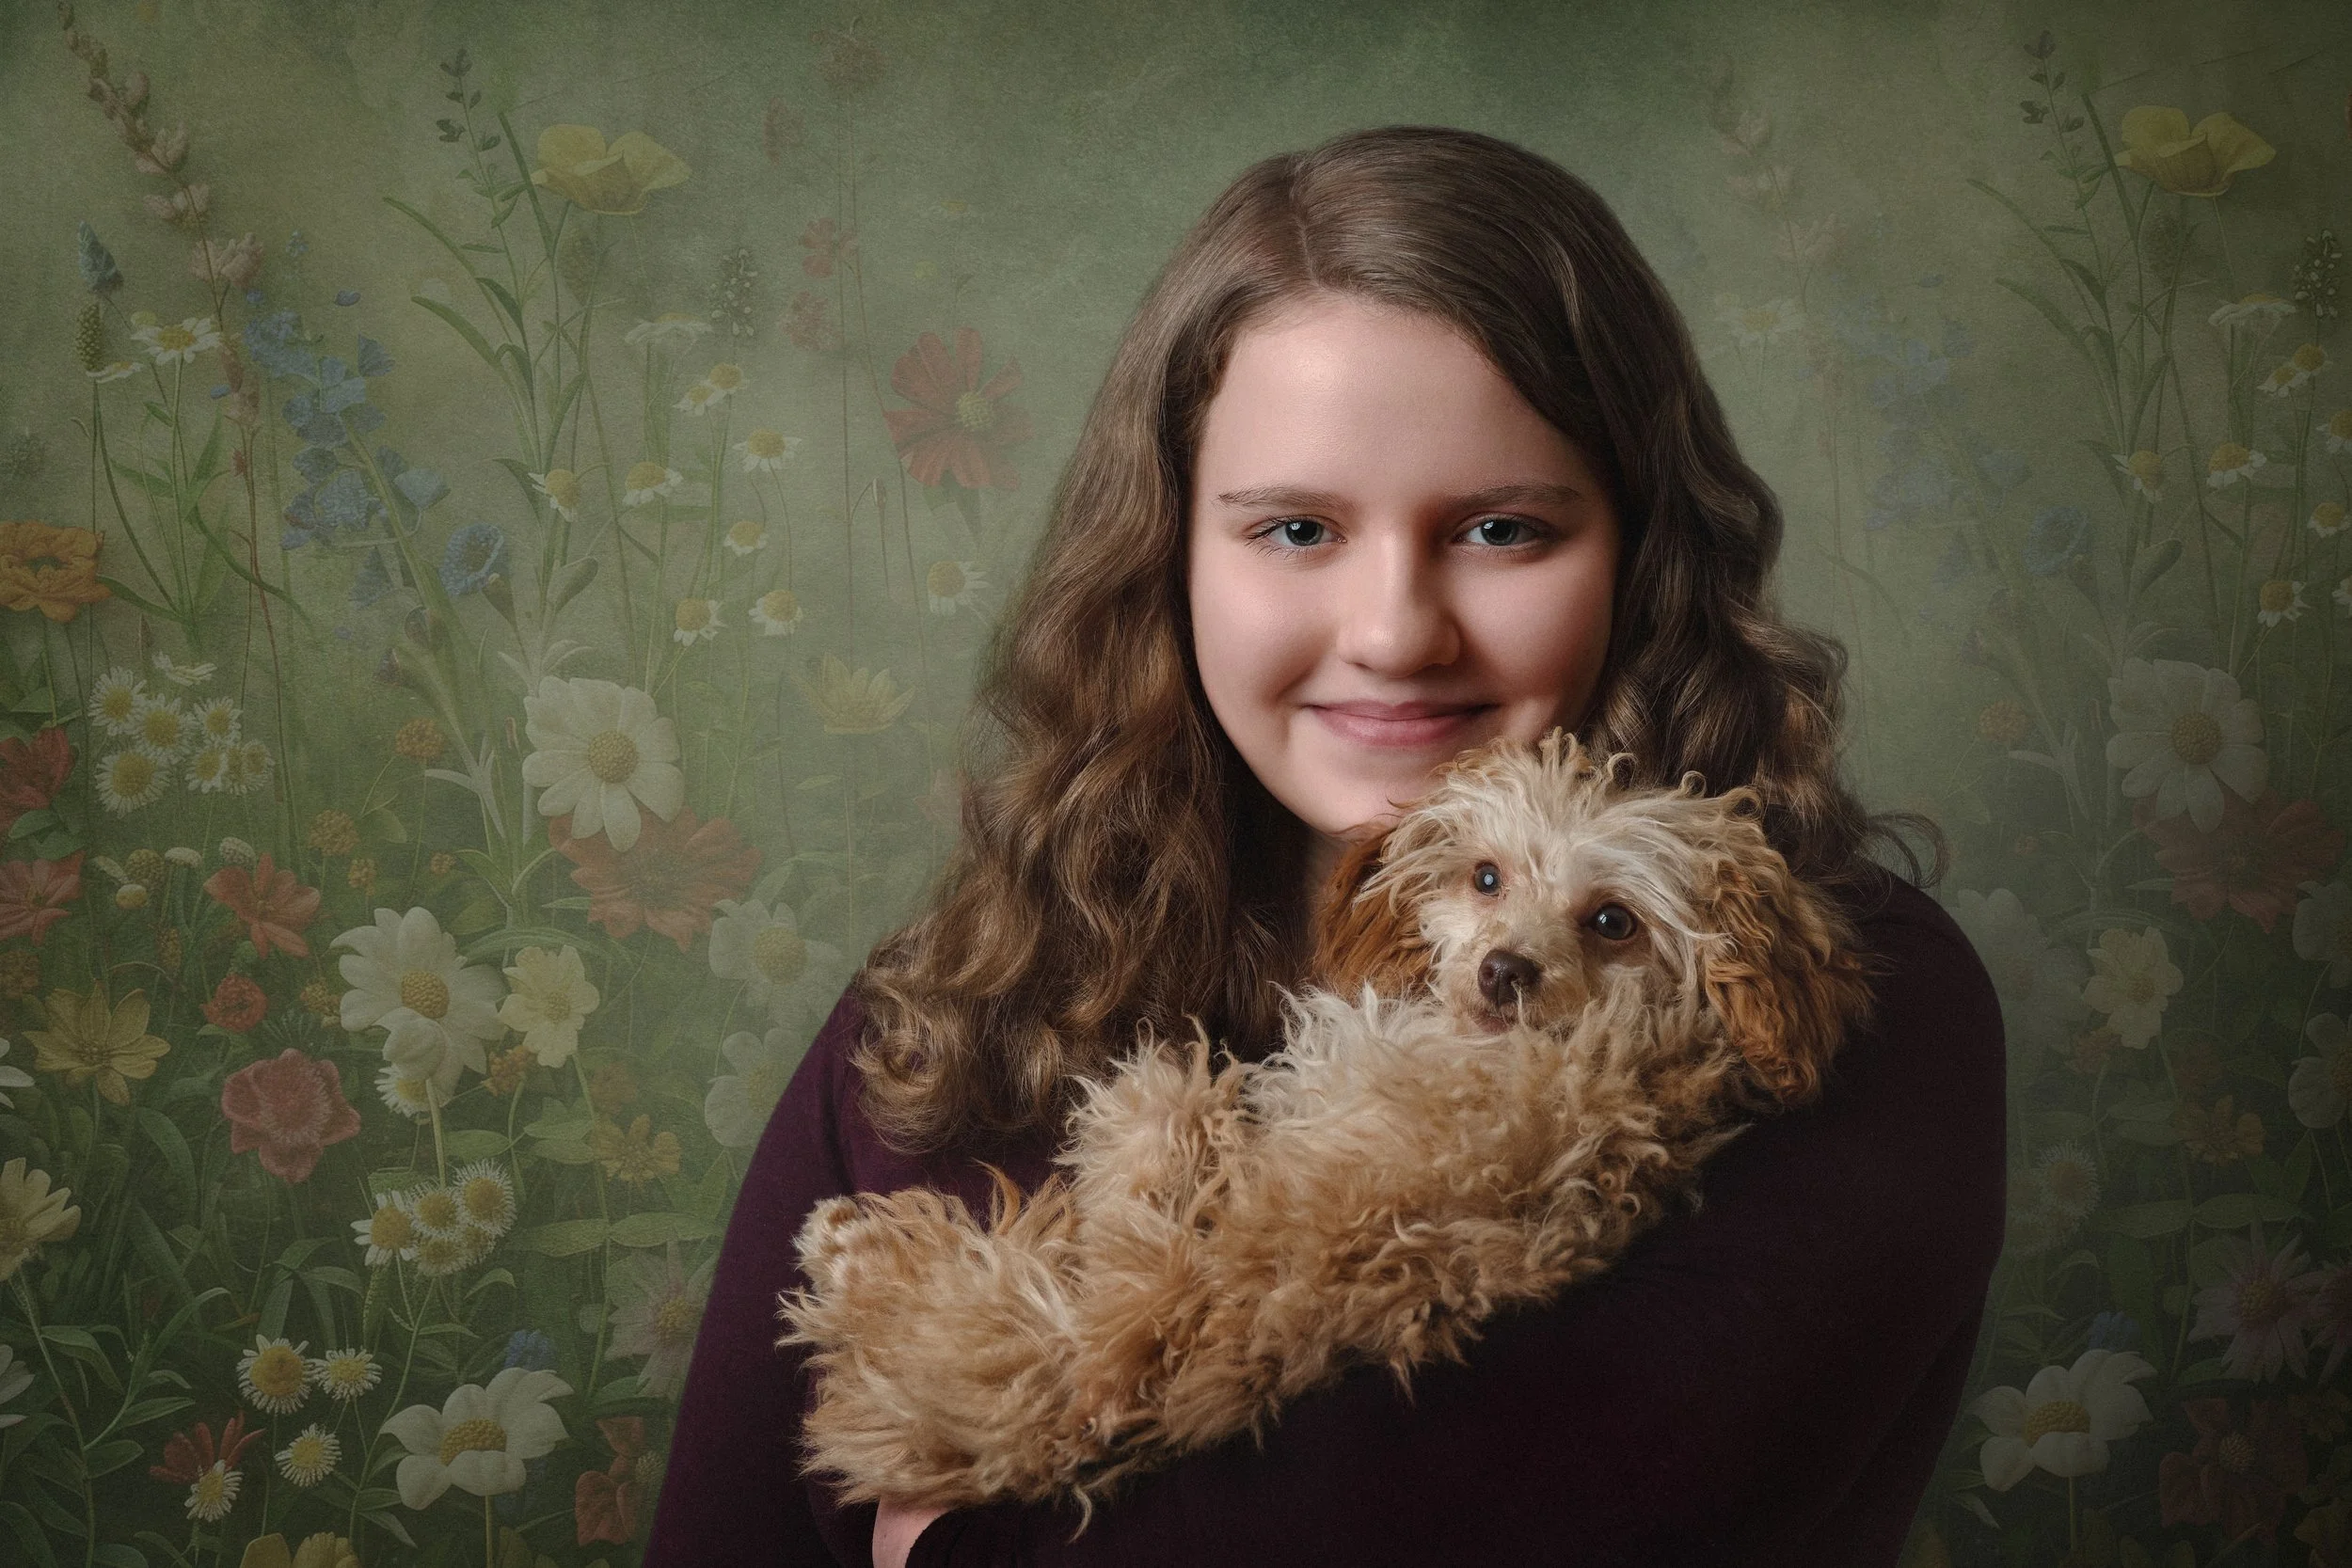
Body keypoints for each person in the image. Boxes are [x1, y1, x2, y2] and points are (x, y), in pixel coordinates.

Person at [644, 124, 2006, 1568]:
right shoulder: (946, 1019)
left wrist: (956, 1548)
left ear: (1642, 548)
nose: (1394, 633)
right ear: (1171, 559)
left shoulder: (1846, 1000)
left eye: (1499, 527)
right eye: (1296, 528)